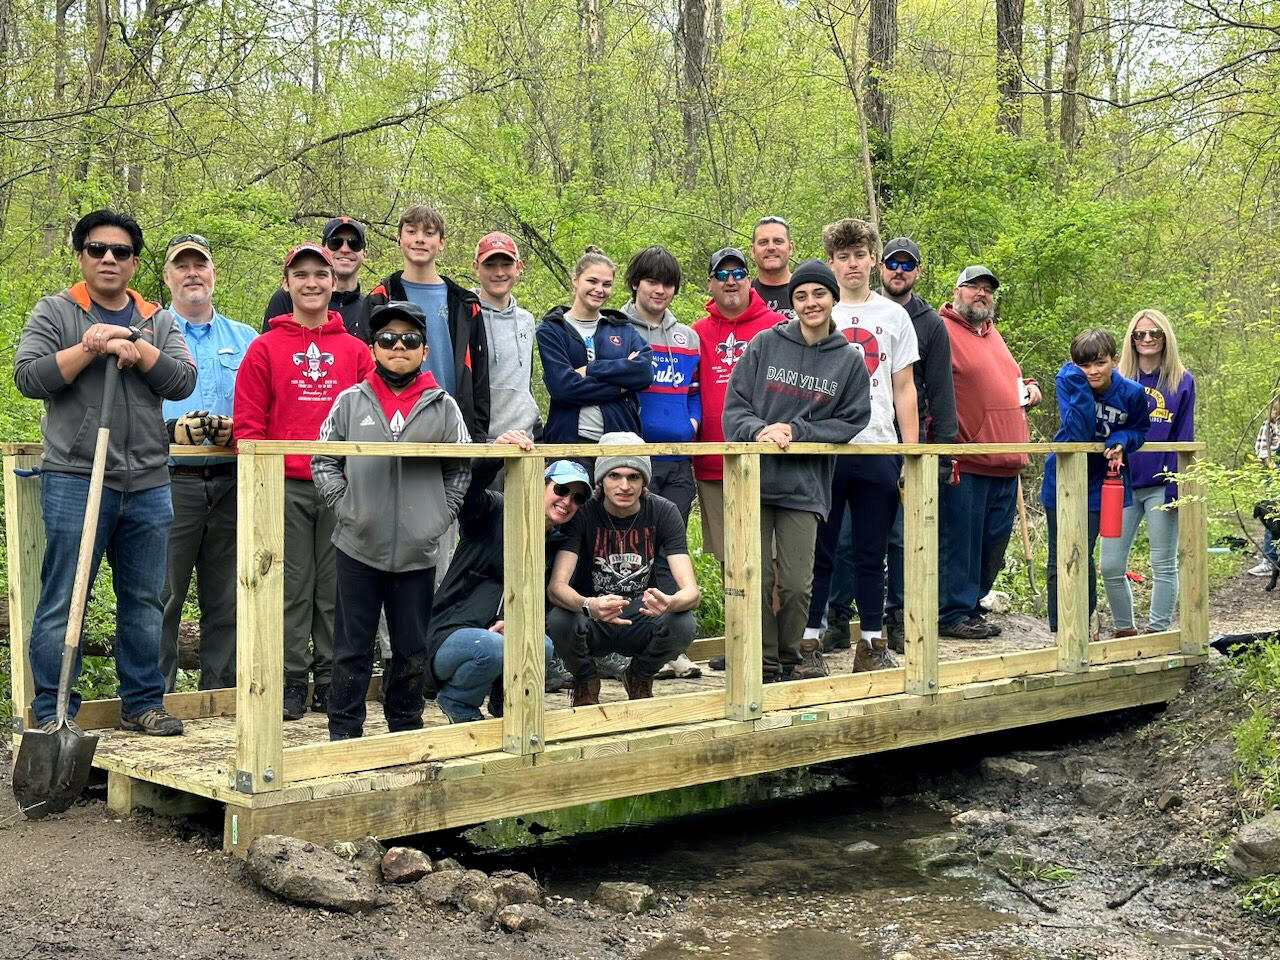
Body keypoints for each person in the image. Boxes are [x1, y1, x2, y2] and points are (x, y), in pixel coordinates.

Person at [14, 209, 197, 735]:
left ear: (135, 262)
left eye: (120, 252)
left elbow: (181, 381)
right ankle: (52, 711)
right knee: (63, 598)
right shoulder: (56, 312)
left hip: (147, 482)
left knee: (144, 600)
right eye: (98, 250)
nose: (109, 259)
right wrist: (89, 346)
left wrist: (135, 348)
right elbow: (30, 377)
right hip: (75, 476)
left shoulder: (157, 320)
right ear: (82, 257)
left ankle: (143, 703)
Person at [312, 302, 471, 740]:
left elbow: (460, 469)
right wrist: (347, 509)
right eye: (386, 339)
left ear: (424, 350)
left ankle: (405, 730)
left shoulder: (444, 407)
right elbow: (323, 460)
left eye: (409, 340)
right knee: (351, 648)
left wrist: (440, 517)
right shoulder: (349, 401)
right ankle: (344, 734)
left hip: (419, 551)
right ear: (373, 348)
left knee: (410, 649)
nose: (397, 346)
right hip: (357, 546)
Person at [234, 242, 374, 721]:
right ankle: (291, 679)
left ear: (334, 283)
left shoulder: (356, 351)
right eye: (301, 275)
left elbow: (374, 415)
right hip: (285, 485)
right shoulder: (264, 347)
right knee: (291, 587)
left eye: (321, 274)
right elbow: (248, 425)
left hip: (342, 484)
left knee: (337, 588)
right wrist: (258, 483)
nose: (311, 282)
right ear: (286, 283)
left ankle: (333, 678)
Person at [722, 260, 871, 680]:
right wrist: (760, 431)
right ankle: (766, 659)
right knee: (752, 574)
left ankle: (790, 654)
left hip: (805, 485)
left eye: (818, 294)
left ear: (833, 299)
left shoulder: (848, 361)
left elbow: (852, 420)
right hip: (754, 478)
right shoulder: (766, 345)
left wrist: (798, 431)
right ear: (793, 303)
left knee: (794, 583)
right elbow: (735, 409)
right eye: (801, 296)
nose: (810, 303)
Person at [806, 218, 918, 673]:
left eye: (860, 255)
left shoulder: (894, 316)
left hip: (877, 447)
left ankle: (871, 643)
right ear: (831, 262)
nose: (852, 265)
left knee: (873, 551)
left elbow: (905, 387)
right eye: (843, 257)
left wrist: (910, 451)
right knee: (821, 550)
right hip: (827, 450)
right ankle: (809, 643)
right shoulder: (816, 313)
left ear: (873, 257)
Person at [158, 233, 257, 691]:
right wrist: (172, 429)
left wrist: (236, 427)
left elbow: (263, 410)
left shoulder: (247, 339)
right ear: (167, 277)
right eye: (182, 266)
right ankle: (153, 696)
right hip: (167, 481)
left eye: (200, 265)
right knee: (161, 596)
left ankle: (221, 699)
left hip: (232, 480)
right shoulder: (149, 335)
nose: (192, 273)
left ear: (213, 274)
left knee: (229, 599)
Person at [428, 453, 591, 723]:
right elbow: (469, 489)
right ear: (540, 485)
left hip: (499, 637)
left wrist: (513, 621)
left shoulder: (556, 544)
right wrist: (496, 455)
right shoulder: (495, 509)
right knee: (493, 646)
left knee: (542, 645)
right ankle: (458, 701)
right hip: (450, 634)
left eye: (577, 498)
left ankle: (509, 708)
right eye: (561, 490)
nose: (567, 502)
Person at [547, 434, 700, 705]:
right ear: (601, 480)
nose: (624, 486)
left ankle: (639, 676)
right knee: (560, 619)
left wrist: (671, 602)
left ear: (644, 482)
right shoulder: (583, 513)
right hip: (593, 617)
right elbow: (556, 587)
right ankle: (584, 679)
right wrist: (588, 604)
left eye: (634, 477)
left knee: (683, 622)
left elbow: (692, 592)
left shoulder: (664, 512)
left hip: (641, 616)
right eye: (614, 475)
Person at [936, 266, 1041, 640]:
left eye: (987, 290)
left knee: (992, 543)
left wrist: (1028, 387)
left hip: (1006, 462)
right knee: (960, 542)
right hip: (967, 459)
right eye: (973, 287)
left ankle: (971, 605)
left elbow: (1007, 378)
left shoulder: (993, 335)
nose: (981, 294)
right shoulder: (941, 330)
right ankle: (951, 613)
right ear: (956, 291)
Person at [875, 238, 958, 652]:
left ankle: (902, 618)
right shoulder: (862, 312)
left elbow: (942, 391)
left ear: (918, 272)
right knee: (849, 537)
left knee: (904, 538)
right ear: (880, 267)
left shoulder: (931, 324)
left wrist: (940, 454)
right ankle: (837, 618)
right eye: (892, 263)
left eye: (907, 264)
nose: (899, 270)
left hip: (912, 444)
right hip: (864, 440)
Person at [1041, 328, 1150, 635]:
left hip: (1099, 482)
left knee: (1080, 551)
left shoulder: (1131, 393)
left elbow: (1139, 431)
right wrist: (1077, 385)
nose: (1092, 371)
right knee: (1056, 555)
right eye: (1084, 365)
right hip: (1061, 477)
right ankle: (1060, 628)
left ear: (1114, 360)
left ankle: (1084, 621)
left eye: (1099, 363)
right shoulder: (1069, 380)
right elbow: (1077, 430)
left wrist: (1120, 440)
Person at [1100, 309, 1195, 634]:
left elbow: (1184, 435)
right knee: (1110, 565)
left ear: (1165, 337)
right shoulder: (1118, 379)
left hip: (1161, 483)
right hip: (1121, 482)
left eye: (1154, 333)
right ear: (1131, 340)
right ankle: (1125, 630)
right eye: (1140, 334)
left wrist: (1176, 487)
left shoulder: (1182, 380)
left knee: (1163, 564)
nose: (1147, 339)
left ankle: (1156, 632)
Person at [363, 205, 490, 441]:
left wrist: (478, 436)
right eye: (411, 231)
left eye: (429, 233)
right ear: (399, 238)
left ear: (441, 242)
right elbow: (366, 367)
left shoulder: (465, 304)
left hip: (453, 425)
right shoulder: (381, 297)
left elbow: (480, 378)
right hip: (395, 424)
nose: (419, 239)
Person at [691, 248, 784, 561]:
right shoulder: (695, 333)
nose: (730, 281)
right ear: (710, 283)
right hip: (713, 460)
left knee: (771, 558)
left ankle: (771, 614)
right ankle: (734, 614)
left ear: (750, 280)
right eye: (721, 274)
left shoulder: (778, 327)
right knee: (728, 557)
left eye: (738, 274)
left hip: (769, 462)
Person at [536, 248, 653, 444]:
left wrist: (590, 369)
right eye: (592, 281)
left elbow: (644, 373)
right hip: (568, 441)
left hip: (621, 440)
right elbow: (563, 389)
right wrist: (621, 386)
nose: (599, 289)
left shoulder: (623, 328)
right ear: (575, 280)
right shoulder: (551, 329)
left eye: (607, 284)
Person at [622, 245, 700, 523]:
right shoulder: (615, 329)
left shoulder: (688, 337)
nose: (660, 290)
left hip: (678, 458)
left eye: (668, 284)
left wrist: (691, 423)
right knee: (633, 546)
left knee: (672, 544)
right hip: (631, 458)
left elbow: (694, 391)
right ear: (635, 283)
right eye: (652, 282)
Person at [472, 231, 540, 440]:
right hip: (483, 441)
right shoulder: (466, 315)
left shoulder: (527, 320)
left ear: (518, 267)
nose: (499, 272)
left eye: (506, 264)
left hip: (525, 437)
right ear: (476, 267)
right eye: (490, 265)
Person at [263, 216, 368, 337]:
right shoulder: (287, 298)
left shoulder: (369, 306)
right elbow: (270, 346)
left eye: (354, 244)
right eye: (335, 242)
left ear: (364, 253)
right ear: (323, 248)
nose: (344, 249)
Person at [1252, 399, 1280, 576]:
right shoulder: (1270, 425)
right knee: (1273, 516)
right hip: (1276, 471)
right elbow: (1262, 450)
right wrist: (1274, 472)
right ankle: (1269, 561)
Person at [749, 216, 796, 320]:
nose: (771, 247)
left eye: (778, 241)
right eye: (763, 242)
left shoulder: (808, 293)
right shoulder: (744, 296)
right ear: (752, 250)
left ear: (791, 248)